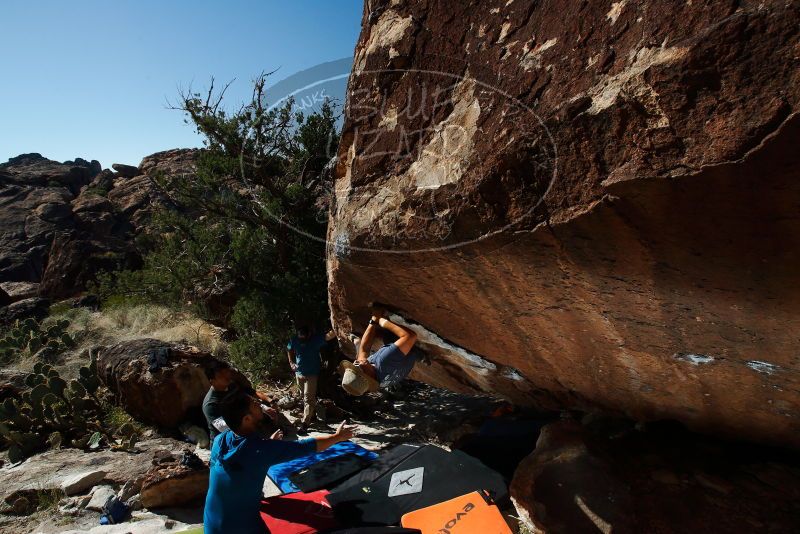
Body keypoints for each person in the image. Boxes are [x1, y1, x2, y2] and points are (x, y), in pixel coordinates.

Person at [203, 392, 356, 534]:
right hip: (238, 526)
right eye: (255, 405)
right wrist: (337, 437)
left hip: (211, 521)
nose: (259, 404)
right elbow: (307, 446)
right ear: (246, 419)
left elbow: (243, 462)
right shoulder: (261, 451)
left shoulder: (220, 440)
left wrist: (269, 445)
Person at [340, 306, 419, 396]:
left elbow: (364, 350)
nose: (357, 363)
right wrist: (382, 321)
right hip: (406, 353)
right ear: (370, 378)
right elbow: (411, 336)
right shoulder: (384, 361)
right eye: (359, 368)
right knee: (387, 334)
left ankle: (417, 355)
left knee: (362, 357)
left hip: (400, 364)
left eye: (354, 365)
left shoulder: (369, 374)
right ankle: (416, 351)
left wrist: (373, 321)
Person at [203, 360, 277, 441]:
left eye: (226, 372)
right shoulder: (210, 404)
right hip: (226, 441)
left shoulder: (232, 386)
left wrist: (265, 409)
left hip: (244, 427)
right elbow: (224, 428)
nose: (226, 376)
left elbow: (247, 401)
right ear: (212, 381)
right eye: (221, 375)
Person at [286, 324, 335, 433]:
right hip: (299, 373)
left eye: (304, 338)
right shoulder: (294, 340)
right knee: (303, 396)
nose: (302, 340)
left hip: (312, 374)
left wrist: (340, 326)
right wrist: (291, 362)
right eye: (300, 338)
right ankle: (311, 415)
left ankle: (305, 424)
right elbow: (289, 349)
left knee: (308, 398)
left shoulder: (316, 340)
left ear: (309, 335)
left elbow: (330, 336)